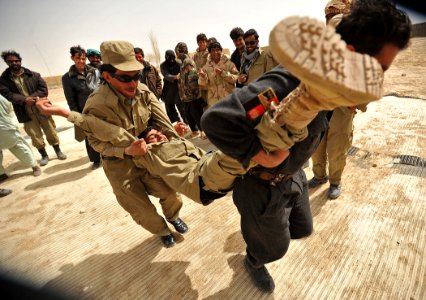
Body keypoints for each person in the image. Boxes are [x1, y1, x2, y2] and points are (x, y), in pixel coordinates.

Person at [201, 0, 411, 292]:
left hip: (293, 174)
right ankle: (254, 258)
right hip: (262, 185)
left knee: (303, 228)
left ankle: (266, 230)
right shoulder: (287, 83)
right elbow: (216, 121)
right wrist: (260, 155)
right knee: (275, 248)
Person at [71, 40, 189, 248]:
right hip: (119, 165)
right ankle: (162, 230)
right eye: (125, 78)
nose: (133, 83)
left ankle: (173, 217)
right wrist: (124, 149)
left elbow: (159, 121)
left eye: (135, 76)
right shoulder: (96, 105)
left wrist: (169, 133)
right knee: (141, 209)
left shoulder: (143, 92)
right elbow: (94, 141)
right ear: (106, 76)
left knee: (170, 193)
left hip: (146, 156)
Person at [308, 0, 359, 199]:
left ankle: (335, 181)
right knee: (316, 144)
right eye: (328, 18)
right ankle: (319, 176)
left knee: (337, 146)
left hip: (342, 105)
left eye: (335, 17)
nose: (331, 22)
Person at [0, 50, 67, 166]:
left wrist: (32, 98)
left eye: (16, 61)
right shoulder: (3, 80)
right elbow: (8, 94)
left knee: (51, 131)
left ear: (20, 61)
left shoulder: (34, 75)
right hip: (25, 112)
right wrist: (25, 100)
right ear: (6, 62)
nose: (14, 63)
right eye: (10, 61)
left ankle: (58, 150)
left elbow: (43, 90)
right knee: (35, 135)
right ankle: (44, 155)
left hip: (42, 108)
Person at [62, 45, 101, 170]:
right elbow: (71, 100)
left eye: (83, 59)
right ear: (72, 58)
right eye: (78, 58)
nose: (81, 61)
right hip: (84, 111)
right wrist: (77, 117)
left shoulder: (94, 71)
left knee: (104, 132)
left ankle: (107, 155)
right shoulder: (67, 78)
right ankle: (95, 160)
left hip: (100, 108)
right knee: (89, 137)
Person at [1, 94, 41, 181]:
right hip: (6, 127)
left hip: (5, 128)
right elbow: (8, 108)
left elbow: (8, 107)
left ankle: (34, 166)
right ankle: (1, 174)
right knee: (20, 147)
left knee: (19, 146)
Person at [175, 42, 206, 139]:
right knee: (189, 115)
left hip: (192, 96)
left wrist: (191, 93)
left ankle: (204, 131)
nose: (176, 55)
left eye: (177, 52)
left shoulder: (187, 61)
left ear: (180, 52)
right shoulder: (183, 62)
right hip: (186, 96)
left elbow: (192, 78)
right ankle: (196, 132)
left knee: (197, 114)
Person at [198, 41, 239, 108]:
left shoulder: (229, 64)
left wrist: (223, 73)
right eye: (213, 50)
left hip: (228, 101)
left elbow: (236, 78)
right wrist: (203, 77)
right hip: (214, 103)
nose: (215, 52)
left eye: (217, 50)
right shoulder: (206, 67)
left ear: (221, 50)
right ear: (210, 53)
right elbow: (202, 84)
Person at [160, 50, 187, 124]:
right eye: (169, 58)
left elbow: (184, 73)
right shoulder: (163, 65)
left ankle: (187, 123)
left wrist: (180, 76)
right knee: (169, 107)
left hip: (178, 88)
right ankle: (177, 123)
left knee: (182, 108)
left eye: (173, 58)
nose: (172, 60)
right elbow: (166, 75)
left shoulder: (179, 63)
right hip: (168, 89)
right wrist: (175, 77)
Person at [193, 33, 209, 105]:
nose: (201, 44)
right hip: (200, 84)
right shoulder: (195, 55)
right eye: (199, 42)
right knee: (204, 105)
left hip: (209, 83)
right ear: (197, 43)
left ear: (206, 42)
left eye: (203, 41)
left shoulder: (210, 52)